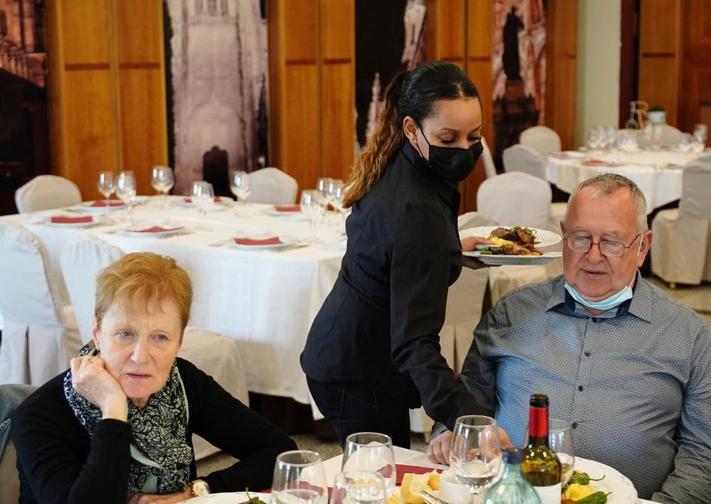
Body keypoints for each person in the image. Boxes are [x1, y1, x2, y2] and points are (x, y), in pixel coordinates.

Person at [428, 174, 711, 503]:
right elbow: (468, 405)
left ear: (643, 246)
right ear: (563, 235)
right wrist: (451, 433)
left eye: (612, 242)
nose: (593, 255)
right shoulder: (512, 312)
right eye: (580, 238)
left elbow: (706, 456)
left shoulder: (688, 335)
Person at [301, 61, 501, 448]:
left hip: (345, 351)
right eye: (448, 138)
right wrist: (469, 420)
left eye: (474, 136)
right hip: (359, 370)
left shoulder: (405, 162)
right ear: (412, 129)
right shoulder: (416, 209)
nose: (464, 150)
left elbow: (391, 257)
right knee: (381, 483)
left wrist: (450, 253)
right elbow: (414, 342)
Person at [12, 253, 297, 504]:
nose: (141, 356)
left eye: (160, 337)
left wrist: (198, 491)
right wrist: (113, 411)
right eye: (125, 334)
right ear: (97, 332)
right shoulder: (40, 415)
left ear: (180, 340)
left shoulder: (181, 382)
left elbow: (279, 451)